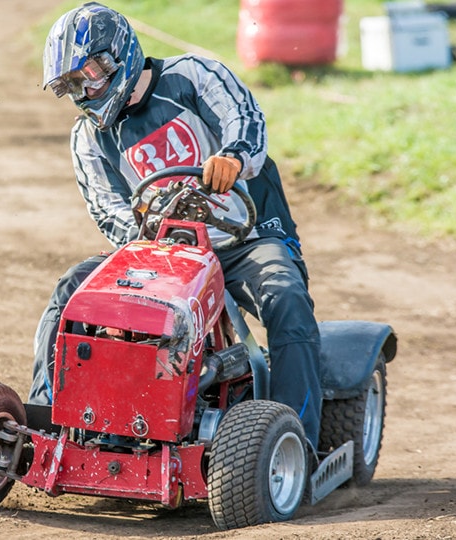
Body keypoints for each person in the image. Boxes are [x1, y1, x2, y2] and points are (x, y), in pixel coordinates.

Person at [28, 2, 322, 450]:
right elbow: (108, 210)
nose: (84, 91)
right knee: (72, 291)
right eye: (71, 84)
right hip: (166, 254)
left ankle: (295, 439)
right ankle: (50, 421)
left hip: (244, 236)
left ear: (117, 55)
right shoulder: (87, 137)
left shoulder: (193, 75)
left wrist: (233, 156)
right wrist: (148, 236)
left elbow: (247, 121)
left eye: (87, 74)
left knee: (284, 295)